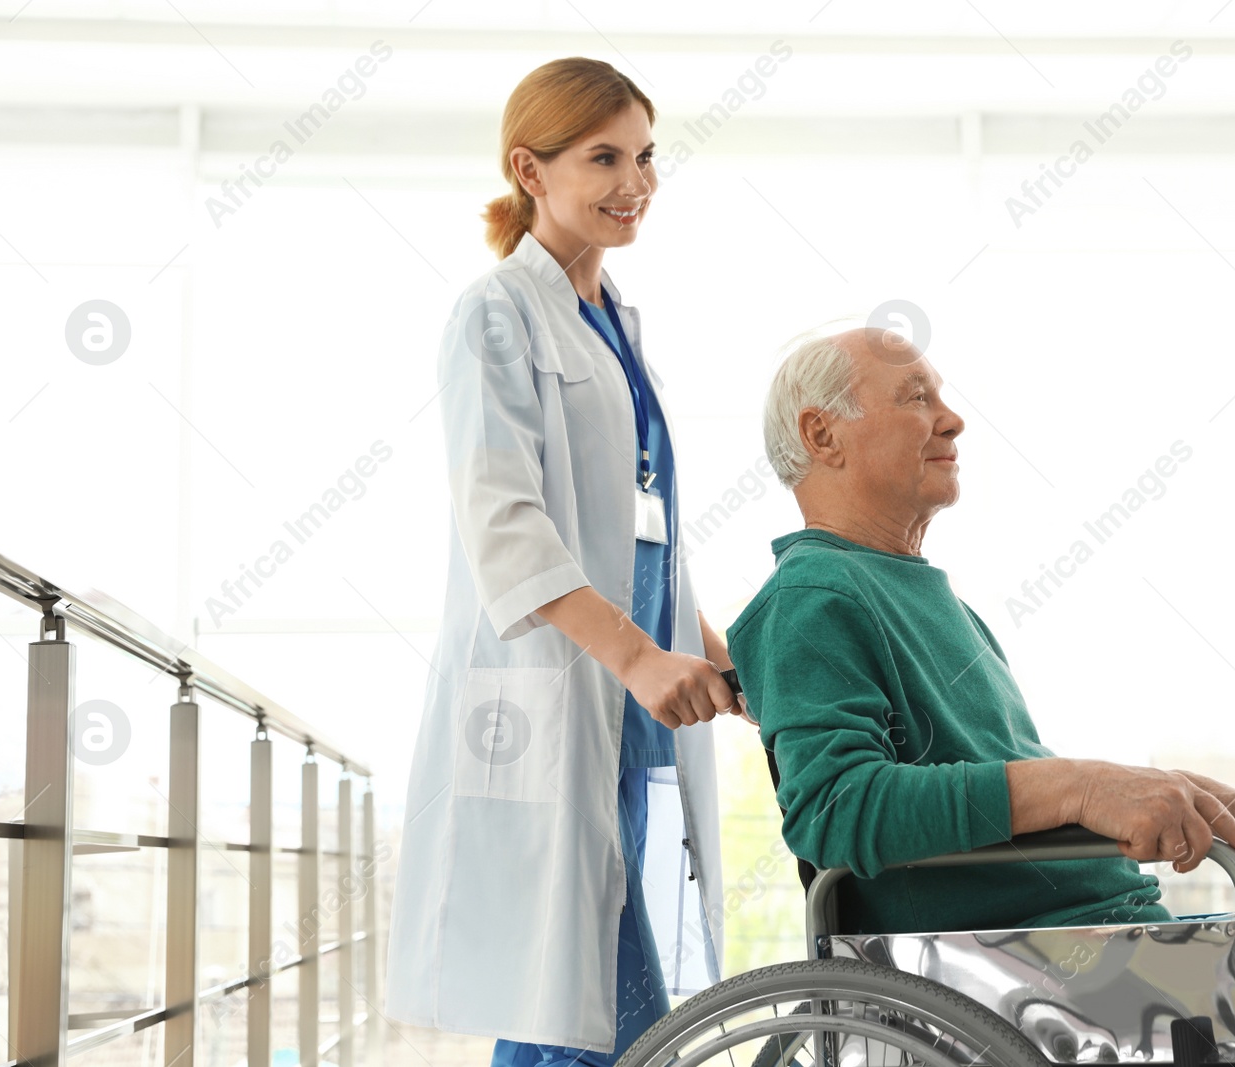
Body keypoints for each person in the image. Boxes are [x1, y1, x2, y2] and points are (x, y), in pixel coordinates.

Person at [726, 325, 1235, 1067]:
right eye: (916, 397)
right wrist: (1087, 785)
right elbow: (834, 809)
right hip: (982, 976)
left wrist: (1182, 793)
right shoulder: (810, 597)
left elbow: (1012, 790)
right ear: (823, 436)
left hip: (1076, 946)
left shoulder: (933, 600)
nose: (952, 418)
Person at [384, 58, 747, 1064]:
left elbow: (646, 529)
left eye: (644, 156)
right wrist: (636, 657)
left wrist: (711, 651)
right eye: (603, 157)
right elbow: (505, 524)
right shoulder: (494, 312)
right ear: (528, 170)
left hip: (638, 694)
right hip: (565, 687)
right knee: (567, 996)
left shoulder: (620, 326)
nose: (635, 181)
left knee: (634, 974)